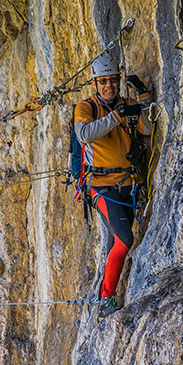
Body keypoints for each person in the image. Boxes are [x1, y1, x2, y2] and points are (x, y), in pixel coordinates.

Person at [73, 49, 153, 315]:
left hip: (127, 182)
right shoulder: (86, 108)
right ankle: (107, 296)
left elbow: (147, 130)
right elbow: (85, 134)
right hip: (101, 185)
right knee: (125, 238)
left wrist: (143, 101)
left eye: (113, 80)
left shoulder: (124, 104)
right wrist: (116, 116)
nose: (109, 85)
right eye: (104, 81)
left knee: (115, 242)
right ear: (95, 83)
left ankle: (104, 295)